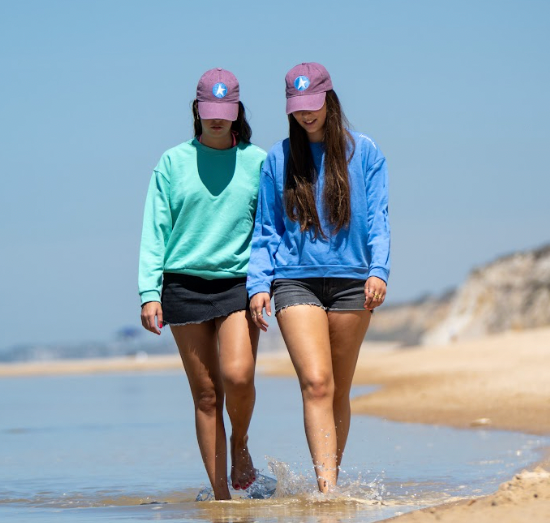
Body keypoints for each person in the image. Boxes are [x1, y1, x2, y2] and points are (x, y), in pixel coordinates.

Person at [247, 62, 390, 493]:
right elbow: (265, 229)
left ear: (329, 100)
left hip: (353, 280)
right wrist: (258, 284)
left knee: (339, 389)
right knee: (316, 382)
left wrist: (378, 269)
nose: (306, 114)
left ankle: (330, 478)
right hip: (295, 280)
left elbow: (380, 219)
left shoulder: (364, 153)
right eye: (298, 108)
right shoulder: (278, 159)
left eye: (313, 105)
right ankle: (327, 490)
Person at [139, 69, 267, 501]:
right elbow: (155, 228)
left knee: (238, 376)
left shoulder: (258, 161)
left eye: (224, 112)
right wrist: (148, 292)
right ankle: (221, 498)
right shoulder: (173, 162)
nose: (217, 120)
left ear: (236, 112)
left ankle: (240, 444)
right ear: (197, 111)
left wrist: (266, 283)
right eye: (209, 112)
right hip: (182, 286)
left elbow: (270, 229)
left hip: (237, 284)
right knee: (207, 395)